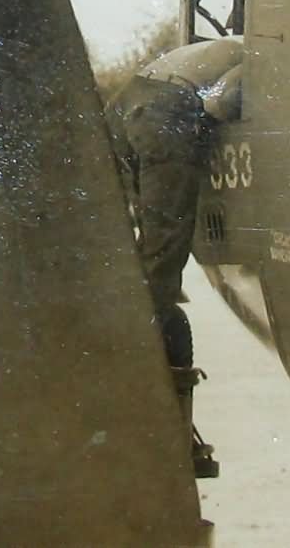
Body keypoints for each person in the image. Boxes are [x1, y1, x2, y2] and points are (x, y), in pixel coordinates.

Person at [105, 36, 243, 479]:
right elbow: (223, 101)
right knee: (164, 258)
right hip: (166, 114)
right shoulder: (258, 56)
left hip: (128, 102)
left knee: (142, 254)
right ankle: (149, 405)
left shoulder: (216, 49)